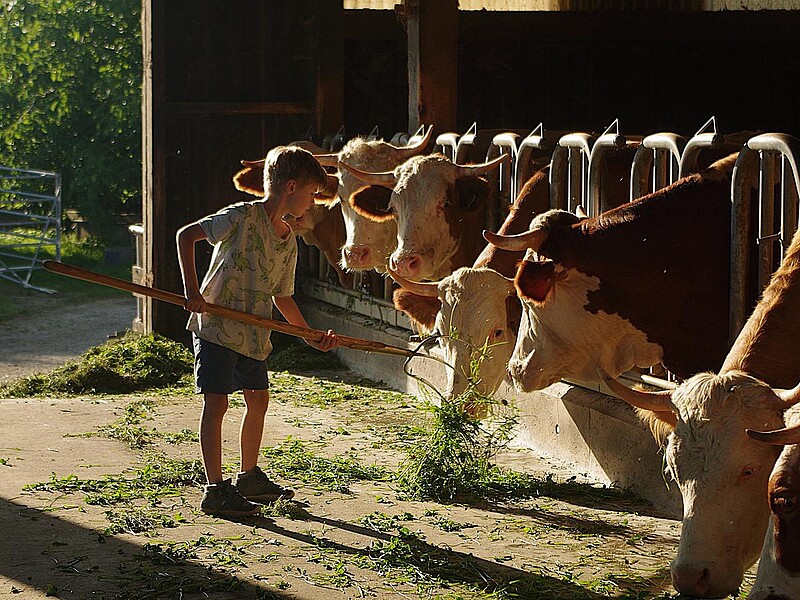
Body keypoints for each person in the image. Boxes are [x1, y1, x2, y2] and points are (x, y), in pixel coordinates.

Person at [176, 145, 339, 517]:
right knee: (217, 402)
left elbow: (282, 296)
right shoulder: (240, 217)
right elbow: (186, 236)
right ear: (292, 187)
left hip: (252, 334)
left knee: (258, 399)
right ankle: (215, 490)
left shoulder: (289, 239)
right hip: (216, 326)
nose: (313, 203)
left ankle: (248, 476)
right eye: (312, 194)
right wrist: (192, 291)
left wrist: (309, 336)